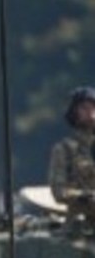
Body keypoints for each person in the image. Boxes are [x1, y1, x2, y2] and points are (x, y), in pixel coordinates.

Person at [48, 86, 95, 230]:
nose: (90, 112)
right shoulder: (64, 150)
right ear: (74, 113)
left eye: (93, 107)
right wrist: (86, 196)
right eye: (84, 108)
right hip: (80, 227)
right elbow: (59, 192)